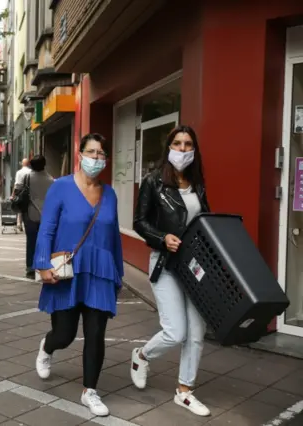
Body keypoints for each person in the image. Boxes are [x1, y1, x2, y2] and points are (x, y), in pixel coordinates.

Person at [33, 133, 123, 417]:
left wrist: (117, 274)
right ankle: (47, 347)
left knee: (96, 333)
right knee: (65, 333)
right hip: (67, 272)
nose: (96, 158)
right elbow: (47, 228)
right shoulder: (60, 188)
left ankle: (90, 391)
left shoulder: (110, 194)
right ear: (79, 154)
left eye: (101, 154)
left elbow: (114, 237)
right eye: (91, 152)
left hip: (99, 271)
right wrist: (42, 263)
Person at [131, 125, 211, 417]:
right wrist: (162, 238)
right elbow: (139, 222)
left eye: (188, 144)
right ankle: (141, 356)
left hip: (194, 265)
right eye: (177, 143)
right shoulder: (153, 181)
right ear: (168, 147)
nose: (182, 149)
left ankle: (184, 391)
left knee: (196, 332)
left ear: (194, 149)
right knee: (176, 331)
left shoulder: (197, 183)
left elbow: (205, 221)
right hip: (165, 263)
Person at [14, 155, 53, 279]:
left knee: (31, 241)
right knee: (45, 241)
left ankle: (30, 267)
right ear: (44, 164)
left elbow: (18, 190)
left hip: (30, 213)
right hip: (46, 215)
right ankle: (44, 265)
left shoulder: (27, 177)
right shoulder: (51, 180)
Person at [13, 158, 31, 231]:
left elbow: (16, 184)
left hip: (19, 190)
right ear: (28, 164)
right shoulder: (30, 171)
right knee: (28, 207)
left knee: (20, 207)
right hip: (28, 191)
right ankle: (27, 223)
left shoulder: (18, 172)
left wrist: (13, 194)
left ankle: (19, 223)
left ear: (22, 164)